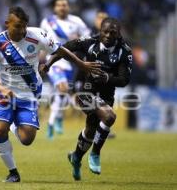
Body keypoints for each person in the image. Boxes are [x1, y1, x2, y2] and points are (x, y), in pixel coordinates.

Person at [0, 6, 101, 183]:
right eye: (17, 26)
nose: (22, 30)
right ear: (7, 24)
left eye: (24, 26)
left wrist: (81, 64)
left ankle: (14, 124)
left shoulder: (37, 35)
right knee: (0, 129)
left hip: (29, 92)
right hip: (5, 93)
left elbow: (61, 50)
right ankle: (13, 172)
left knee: (27, 139)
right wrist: (2, 89)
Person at [44, 17, 133, 180]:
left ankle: (76, 157)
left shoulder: (124, 51)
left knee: (90, 130)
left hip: (106, 95)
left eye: (112, 32)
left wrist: (107, 78)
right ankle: (95, 154)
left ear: (118, 34)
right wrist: (48, 64)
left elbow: (124, 80)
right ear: (100, 31)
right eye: (104, 31)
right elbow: (64, 49)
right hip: (86, 92)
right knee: (109, 116)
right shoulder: (89, 42)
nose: (107, 35)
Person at [40, 0, 91, 139]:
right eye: (59, 5)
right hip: (54, 60)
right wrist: (41, 58)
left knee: (64, 93)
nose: (62, 7)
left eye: (64, 5)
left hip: (71, 62)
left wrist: (78, 39)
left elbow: (88, 38)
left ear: (68, 7)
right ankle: (52, 123)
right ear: (55, 8)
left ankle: (56, 119)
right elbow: (42, 41)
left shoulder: (77, 21)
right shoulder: (47, 22)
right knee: (62, 88)